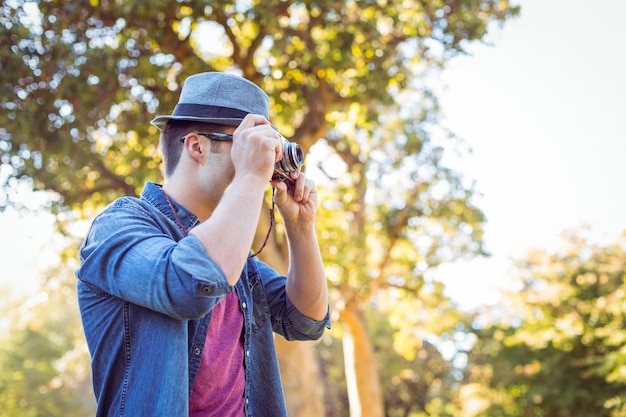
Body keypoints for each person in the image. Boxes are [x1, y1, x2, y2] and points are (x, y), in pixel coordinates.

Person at [76, 71, 331, 417]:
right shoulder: (119, 225)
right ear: (196, 146)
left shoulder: (234, 256)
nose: (263, 159)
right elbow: (189, 283)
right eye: (246, 143)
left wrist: (301, 228)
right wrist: (251, 175)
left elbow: (305, 321)